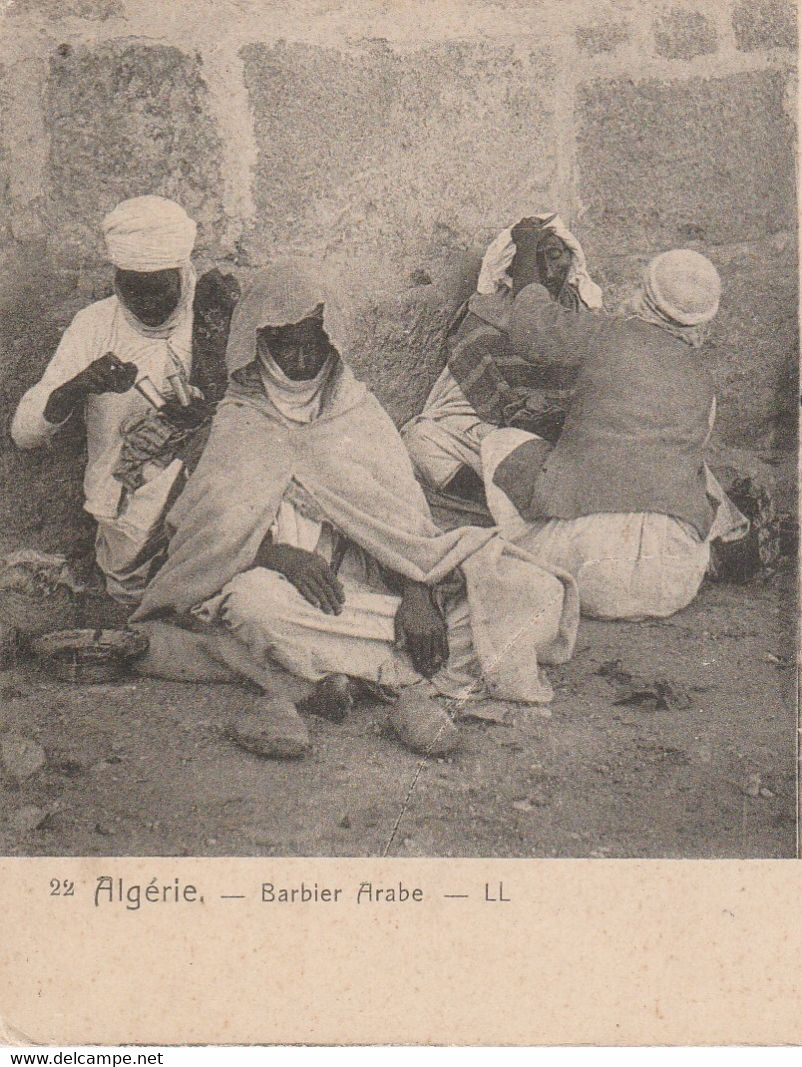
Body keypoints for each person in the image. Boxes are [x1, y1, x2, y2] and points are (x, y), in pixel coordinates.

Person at [131, 262, 580, 761]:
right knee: (252, 606)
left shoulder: (357, 414)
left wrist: (417, 593)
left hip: (377, 590)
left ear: (333, 342)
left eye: (313, 344)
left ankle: (356, 666)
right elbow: (208, 539)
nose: (301, 361)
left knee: (533, 591)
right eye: (284, 345)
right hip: (300, 598)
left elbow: (407, 527)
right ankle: (413, 666)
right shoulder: (240, 423)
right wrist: (281, 557)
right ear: (259, 345)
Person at [477, 248, 750, 621]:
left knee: (501, 441)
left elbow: (531, 328)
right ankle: (724, 543)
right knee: (690, 470)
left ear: (644, 295)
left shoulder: (605, 335)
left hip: (585, 571)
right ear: (705, 320)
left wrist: (525, 254)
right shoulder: (703, 382)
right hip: (673, 582)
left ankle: (494, 534)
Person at [11, 195, 212, 601]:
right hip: (127, 525)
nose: (146, 306)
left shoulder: (211, 319)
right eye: (133, 292)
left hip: (206, 509)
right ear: (117, 279)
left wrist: (203, 419)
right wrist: (77, 386)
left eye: (160, 292)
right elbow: (24, 433)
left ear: (183, 274)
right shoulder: (96, 324)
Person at [401, 213, 602, 508]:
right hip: (508, 438)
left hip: (565, 443)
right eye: (534, 261)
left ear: (572, 260)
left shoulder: (584, 317)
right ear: (514, 267)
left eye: (556, 256)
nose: (547, 269)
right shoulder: (485, 320)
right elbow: (453, 407)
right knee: (421, 438)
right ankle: (491, 503)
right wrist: (515, 416)